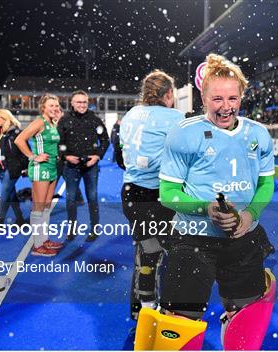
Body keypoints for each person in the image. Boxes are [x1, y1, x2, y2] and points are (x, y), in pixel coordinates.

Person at [134, 54, 276, 350]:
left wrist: (249, 215)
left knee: (246, 323)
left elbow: (266, 184)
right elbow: (168, 193)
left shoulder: (258, 134)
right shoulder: (184, 135)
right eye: (217, 99)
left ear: (242, 95)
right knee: (178, 323)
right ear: (203, 96)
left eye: (233, 98)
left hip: (243, 240)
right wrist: (205, 208)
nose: (226, 107)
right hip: (192, 239)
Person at [119, 70, 184, 320]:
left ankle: (141, 309)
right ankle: (168, 310)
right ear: (168, 93)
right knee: (174, 251)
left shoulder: (131, 115)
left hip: (131, 193)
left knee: (146, 249)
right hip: (158, 193)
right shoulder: (174, 117)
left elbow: (122, 154)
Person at [56, 90, 110, 242]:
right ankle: (72, 229)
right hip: (71, 166)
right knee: (71, 199)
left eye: (84, 102)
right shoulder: (64, 120)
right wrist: (66, 156)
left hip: (90, 166)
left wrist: (97, 156)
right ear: (72, 103)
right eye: (78, 102)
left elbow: (105, 140)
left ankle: (94, 229)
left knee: (92, 198)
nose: (82, 105)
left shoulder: (95, 120)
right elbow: (58, 143)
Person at [15, 94, 63, 256]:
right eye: (51, 106)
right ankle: (37, 245)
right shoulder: (39, 122)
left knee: (47, 206)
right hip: (40, 167)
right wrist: (33, 156)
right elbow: (19, 139)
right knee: (39, 207)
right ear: (43, 107)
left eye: (56, 106)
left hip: (52, 167)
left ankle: (44, 240)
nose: (55, 108)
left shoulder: (52, 123)